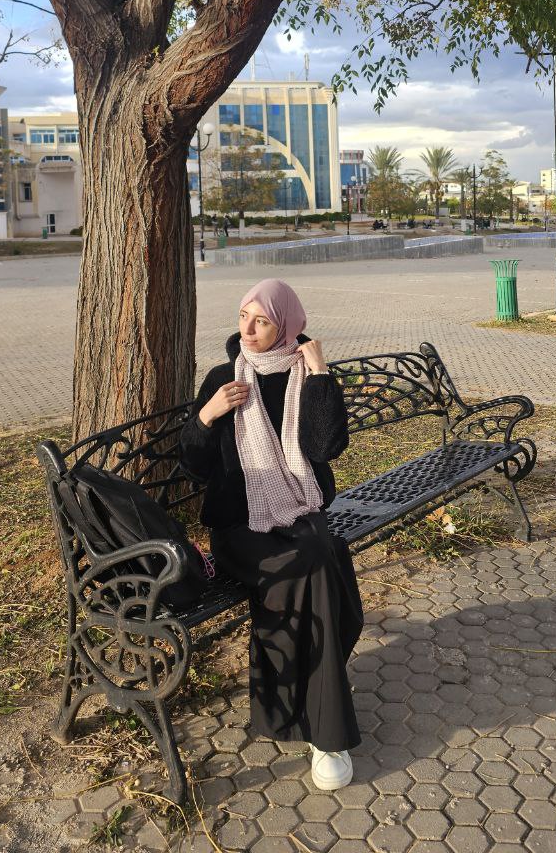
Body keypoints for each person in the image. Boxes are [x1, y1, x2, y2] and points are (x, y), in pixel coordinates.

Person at [175, 280, 362, 792]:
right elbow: (192, 467)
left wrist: (320, 375)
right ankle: (327, 733)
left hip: (298, 513)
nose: (249, 330)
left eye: (261, 320)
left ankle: (296, 713)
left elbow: (325, 448)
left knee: (321, 557)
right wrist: (207, 416)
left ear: (286, 325)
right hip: (238, 528)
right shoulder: (223, 379)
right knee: (316, 566)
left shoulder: (306, 375)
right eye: (244, 317)